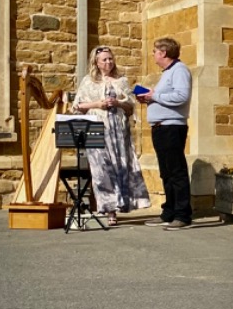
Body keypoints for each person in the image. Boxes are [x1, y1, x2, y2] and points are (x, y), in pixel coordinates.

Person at [71, 46, 151, 225]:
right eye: (104, 60)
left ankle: (118, 208)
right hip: (97, 128)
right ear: (96, 63)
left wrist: (119, 103)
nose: (108, 62)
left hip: (117, 130)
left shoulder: (121, 81)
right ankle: (108, 209)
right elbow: (77, 106)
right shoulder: (88, 81)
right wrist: (99, 103)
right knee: (101, 170)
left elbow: (131, 106)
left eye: (110, 59)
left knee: (119, 166)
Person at [137, 37, 193, 230]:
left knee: (176, 172)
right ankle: (168, 212)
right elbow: (166, 97)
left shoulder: (180, 70)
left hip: (172, 127)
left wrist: (154, 95)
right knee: (166, 172)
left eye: (154, 51)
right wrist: (149, 98)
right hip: (161, 127)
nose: (153, 54)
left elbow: (181, 96)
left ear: (163, 53)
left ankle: (182, 215)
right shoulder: (168, 72)